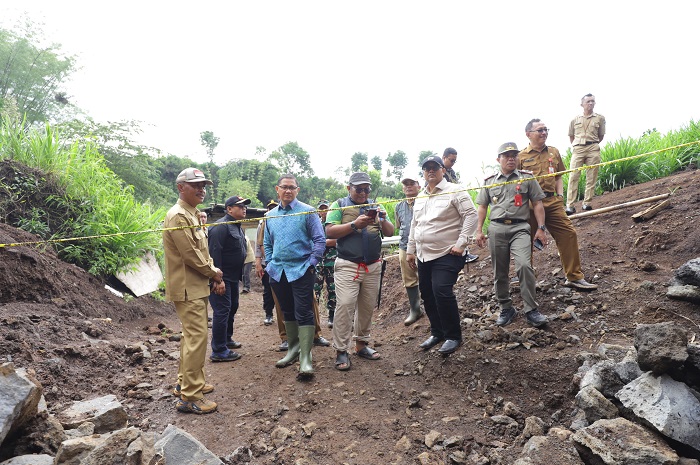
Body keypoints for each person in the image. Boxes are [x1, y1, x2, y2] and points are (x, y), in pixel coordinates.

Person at [163, 167, 223, 414]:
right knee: (197, 338)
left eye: (203, 185)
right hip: (188, 288)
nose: (202, 189)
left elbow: (199, 246)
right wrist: (214, 272)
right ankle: (190, 397)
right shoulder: (178, 216)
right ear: (180, 187)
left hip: (194, 287)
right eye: (196, 185)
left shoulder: (192, 215)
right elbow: (191, 255)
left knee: (191, 338)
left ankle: (185, 383)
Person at [407, 156, 477, 355]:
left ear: (442, 170)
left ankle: (453, 336)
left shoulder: (455, 190)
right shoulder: (420, 197)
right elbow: (415, 225)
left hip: (448, 252)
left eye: (434, 168)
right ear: (423, 172)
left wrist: (461, 243)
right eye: (427, 168)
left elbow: (471, 215)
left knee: (441, 291)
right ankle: (437, 332)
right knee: (427, 294)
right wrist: (411, 251)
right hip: (423, 255)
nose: (431, 171)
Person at [474, 143, 549, 328]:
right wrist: (478, 230)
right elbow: (482, 206)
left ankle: (531, 309)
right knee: (499, 271)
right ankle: (506, 308)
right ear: (498, 159)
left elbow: (538, 203)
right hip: (496, 229)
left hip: (520, 228)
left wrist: (541, 228)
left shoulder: (527, 179)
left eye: (514, 155)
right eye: (506, 155)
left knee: (524, 265)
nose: (511, 158)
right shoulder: (490, 181)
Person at [326, 172, 394, 370]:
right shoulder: (339, 205)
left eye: (366, 189)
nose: (363, 192)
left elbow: (390, 232)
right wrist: (355, 225)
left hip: (372, 265)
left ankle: (361, 344)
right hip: (348, 265)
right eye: (359, 189)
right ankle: (341, 350)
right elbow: (329, 231)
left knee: (367, 306)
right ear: (349, 188)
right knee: (345, 305)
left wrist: (381, 220)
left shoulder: (376, 206)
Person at [519, 119, 599, 291]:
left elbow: (558, 176)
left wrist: (560, 196)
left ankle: (574, 277)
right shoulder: (520, 157)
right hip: (530, 206)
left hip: (552, 202)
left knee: (568, 234)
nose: (544, 133)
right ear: (528, 134)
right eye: (539, 130)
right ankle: (527, 281)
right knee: (525, 242)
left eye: (545, 129)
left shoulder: (553, 152)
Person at [264, 174, 326, 376]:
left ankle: (306, 358)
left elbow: (319, 240)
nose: (288, 190)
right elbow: (266, 243)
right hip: (278, 270)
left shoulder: (308, 212)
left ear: (297, 190)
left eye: (292, 187)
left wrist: (311, 264)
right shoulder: (270, 215)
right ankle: (293, 349)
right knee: (286, 311)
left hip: (301, 269)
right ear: (277, 189)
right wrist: (270, 262)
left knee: (304, 311)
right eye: (284, 187)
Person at [207, 195, 250, 362]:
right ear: (229, 209)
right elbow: (214, 254)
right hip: (221, 278)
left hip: (233, 278)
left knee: (232, 307)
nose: (244, 208)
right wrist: (217, 280)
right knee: (222, 311)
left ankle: (226, 339)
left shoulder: (237, 226)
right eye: (240, 206)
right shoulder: (221, 227)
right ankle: (218, 350)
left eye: (245, 206)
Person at [566, 93, 606, 214]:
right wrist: (578, 145)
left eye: (592, 101)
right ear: (582, 104)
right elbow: (571, 136)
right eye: (588, 101)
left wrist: (592, 143)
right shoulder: (574, 119)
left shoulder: (600, 118)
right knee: (573, 176)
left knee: (591, 176)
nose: (590, 103)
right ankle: (570, 205)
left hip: (593, 147)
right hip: (578, 148)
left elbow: (601, 135)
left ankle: (587, 203)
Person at [394, 176, 424, 325]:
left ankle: (433, 308)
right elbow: (399, 226)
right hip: (405, 246)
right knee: (409, 278)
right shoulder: (399, 206)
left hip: (424, 245)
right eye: (405, 184)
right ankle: (415, 309)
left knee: (427, 277)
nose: (408, 186)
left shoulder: (426, 201)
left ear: (419, 186)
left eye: (412, 183)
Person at [442, 147, 478, 264]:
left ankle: (464, 252)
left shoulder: (451, 172)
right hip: (445, 205)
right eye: (451, 160)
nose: (452, 164)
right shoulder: (437, 172)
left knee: (463, 226)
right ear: (444, 158)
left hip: (456, 202)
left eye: (454, 161)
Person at [255, 199, 279, 325]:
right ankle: (268, 314)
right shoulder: (262, 223)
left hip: (281, 262)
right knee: (268, 289)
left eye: (275, 207)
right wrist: (258, 262)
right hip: (267, 262)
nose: (272, 210)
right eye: (270, 208)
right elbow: (258, 244)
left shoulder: (283, 220)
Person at [314, 200, 337, 328]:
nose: (324, 211)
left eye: (326, 209)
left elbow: (335, 241)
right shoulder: (315, 224)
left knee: (332, 289)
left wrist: (321, 242)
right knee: (315, 290)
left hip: (331, 261)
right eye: (321, 209)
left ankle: (332, 316)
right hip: (318, 262)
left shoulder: (333, 224)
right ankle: (314, 317)